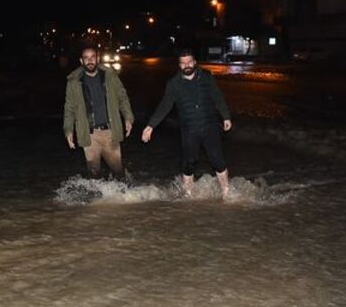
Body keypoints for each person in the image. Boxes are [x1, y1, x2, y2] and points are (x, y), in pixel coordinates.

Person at [142, 49, 233, 198]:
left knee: (217, 159)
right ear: (179, 65)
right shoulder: (173, 84)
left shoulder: (206, 77)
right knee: (189, 162)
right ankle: (188, 195)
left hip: (210, 125)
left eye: (189, 62)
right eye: (183, 63)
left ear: (195, 62)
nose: (187, 65)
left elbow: (217, 96)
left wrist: (226, 116)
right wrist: (150, 126)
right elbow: (165, 105)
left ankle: (226, 192)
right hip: (189, 129)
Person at [63, 47, 135, 180]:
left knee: (119, 173)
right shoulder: (74, 82)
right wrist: (68, 130)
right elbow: (69, 108)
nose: (90, 60)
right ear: (81, 61)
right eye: (86, 58)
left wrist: (128, 117)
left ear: (97, 58)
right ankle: (100, 201)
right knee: (94, 175)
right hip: (89, 135)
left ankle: (126, 199)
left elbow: (122, 97)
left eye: (92, 57)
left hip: (110, 132)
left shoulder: (110, 75)